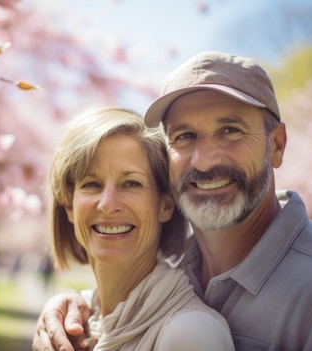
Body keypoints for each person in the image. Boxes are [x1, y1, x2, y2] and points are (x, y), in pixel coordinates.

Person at [32, 51, 312, 351]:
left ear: (276, 145)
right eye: (185, 136)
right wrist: (75, 304)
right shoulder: (181, 266)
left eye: (230, 130)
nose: (203, 161)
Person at [44, 105, 233, 350]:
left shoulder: (191, 335)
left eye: (131, 183)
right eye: (91, 183)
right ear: (69, 205)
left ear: (165, 205)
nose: (108, 204)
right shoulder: (76, 320)